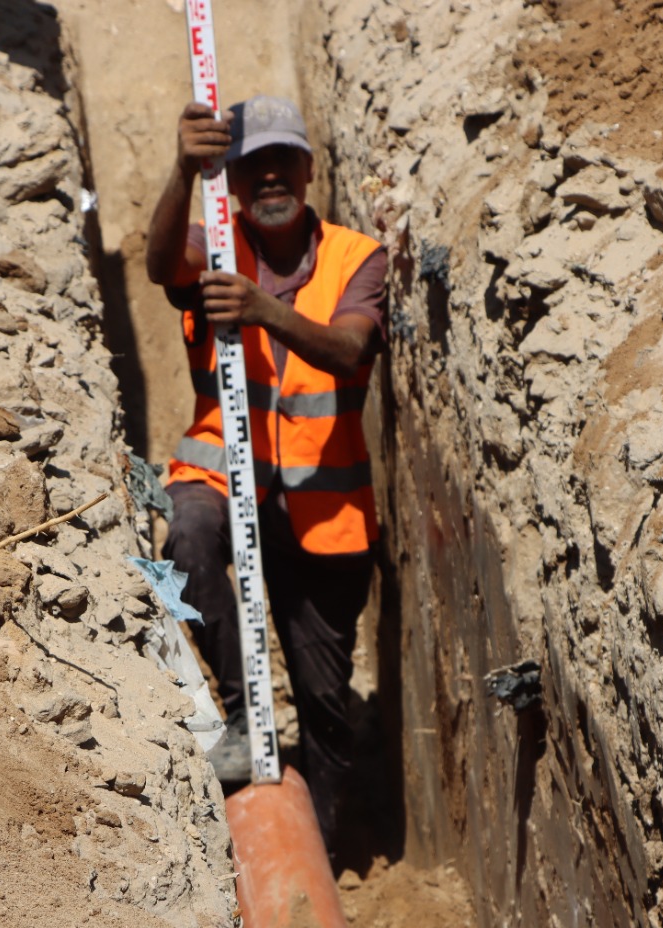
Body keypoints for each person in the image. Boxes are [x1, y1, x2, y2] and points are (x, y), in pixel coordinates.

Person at [145, 95, 386, 845]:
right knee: (187, 538)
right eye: (254, 166)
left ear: (310, 170)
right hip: (224, 476)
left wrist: (263, 310)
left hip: (325, 515)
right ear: (232, 179)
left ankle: (321, 852)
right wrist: (183, 170)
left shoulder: (357, 257)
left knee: (323, 701)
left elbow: (350, 348)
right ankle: (243, 712)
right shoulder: (213, 244)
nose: (271, 178)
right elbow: (160, 264)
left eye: (284, 161)